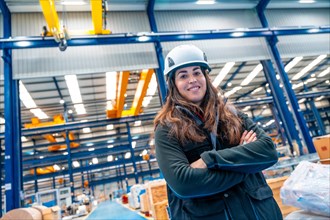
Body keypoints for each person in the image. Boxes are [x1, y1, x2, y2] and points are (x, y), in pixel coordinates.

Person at [154, 44, 282, 220]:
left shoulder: (232, 115)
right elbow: (183, 183)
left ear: (205, 77)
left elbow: (268, 151)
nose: (192, 79)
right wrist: (246, 162)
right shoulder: (167, 129)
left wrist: (209, 160)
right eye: (183, 76)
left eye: (197, 72)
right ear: (173, 84)